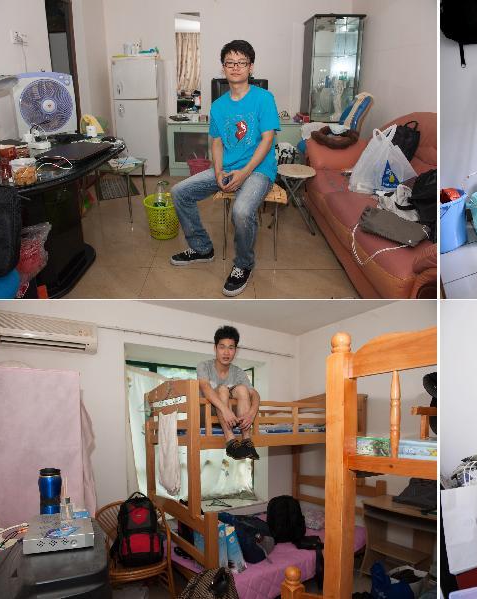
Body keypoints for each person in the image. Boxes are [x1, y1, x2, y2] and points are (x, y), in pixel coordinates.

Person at [170, 40, 280, 296]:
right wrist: (218, 171)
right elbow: (217, 143)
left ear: (250, 67)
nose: (235, 67)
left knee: (241, 212)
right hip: (228, 167)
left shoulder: (264, 98)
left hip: (259, 170)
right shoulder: (219, 106)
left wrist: (244, 173)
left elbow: (267, 139)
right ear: (223, 68)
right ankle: (201, 248)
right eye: (230, 63)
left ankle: (243, 264)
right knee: (180, 191)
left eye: (241, 63)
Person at [197, 325, 261, 460]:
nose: (226, 352)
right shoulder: (204, 366)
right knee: (222, 389)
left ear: (235, 351)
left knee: (243, 390)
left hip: (231, 418)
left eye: (231, 348)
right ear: (215, 348)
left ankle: (246, 441)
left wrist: (251, 413)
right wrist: (225, 410)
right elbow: (205, 388)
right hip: (206, 413)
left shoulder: (238, 372)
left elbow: (254, 394)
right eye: (222, 347)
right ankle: (230, 441)